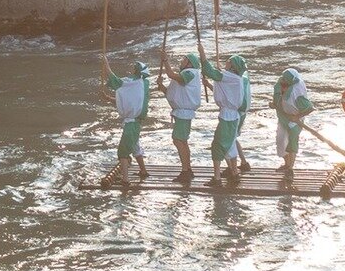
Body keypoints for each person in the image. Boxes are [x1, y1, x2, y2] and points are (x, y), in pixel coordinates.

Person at [201, 52, 251, 185]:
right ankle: (234, 173)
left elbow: (208, 71)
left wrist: (202, 52)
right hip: (232, 116)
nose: (226, 62)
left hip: (227, 117)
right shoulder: (235, 78)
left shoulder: (231, 77)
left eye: (229, 61)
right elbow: (225, 92)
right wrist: (210, 84)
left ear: (233, 66)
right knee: (230, 145)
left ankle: (217, 178)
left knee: (217, 146)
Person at [102, 58, 151, 184]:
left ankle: (125, 179)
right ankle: (143, 171)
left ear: (135, 71)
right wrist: (109, 98)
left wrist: (106, 65)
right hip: (136, 123)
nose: (131, 69)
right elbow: (128, 101)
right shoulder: (142, 84)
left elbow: (116, 81)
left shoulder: (132, 82)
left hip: (131, 124)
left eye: (133, 68)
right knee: (135, 147)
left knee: (123, 152)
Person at [159, 52, 204, 182]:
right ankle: (187, 169)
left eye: (184, 59)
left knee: (178, 140)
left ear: (190, 63)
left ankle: (185, 171)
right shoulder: (186, 74)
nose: (181, 61)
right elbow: (173, 94)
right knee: (182, 141)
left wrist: (165, 60)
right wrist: (162, 87)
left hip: (184, 113)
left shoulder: (190, 73)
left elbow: (171, 75)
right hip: (181, 112)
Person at [271, 67, 315, 185]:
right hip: (283, 117)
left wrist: (297, 117)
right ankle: (286, 163)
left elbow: (310, 108)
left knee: (292, 142)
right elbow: (279, 100)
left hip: (295, 119)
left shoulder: (297, 93)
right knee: (280, 140)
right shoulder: (280, 84)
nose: (282, 81)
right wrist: (274, 105)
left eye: (285, 80)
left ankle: (290, 169)